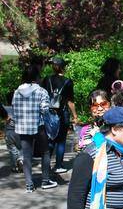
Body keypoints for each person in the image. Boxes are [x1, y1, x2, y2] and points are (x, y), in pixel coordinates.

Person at [12, 64, 56, 192]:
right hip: (39, 126)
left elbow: (14, 109)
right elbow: (44, 109)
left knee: (26, 156)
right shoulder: (41, 91)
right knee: (45, 152)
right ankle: (45, 180)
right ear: (37, 77)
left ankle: (29, 185)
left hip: (22, 128)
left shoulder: (17, 92)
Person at [42, 57, 77, 173]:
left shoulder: (47, 79)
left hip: (48, 114)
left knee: (50, 140)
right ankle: (58, 166)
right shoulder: (68, 82)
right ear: (64, 67)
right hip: (62, 113)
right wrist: (75, 116)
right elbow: (70, 101)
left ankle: (46, 166)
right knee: (61, 140)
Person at [1, 104, 23, 173]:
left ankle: (14, 167)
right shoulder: (20, 107)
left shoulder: (4, 108)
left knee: (12, 149)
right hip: (20, 131)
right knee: (20, 147)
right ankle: (21, 159)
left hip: (9, 131)